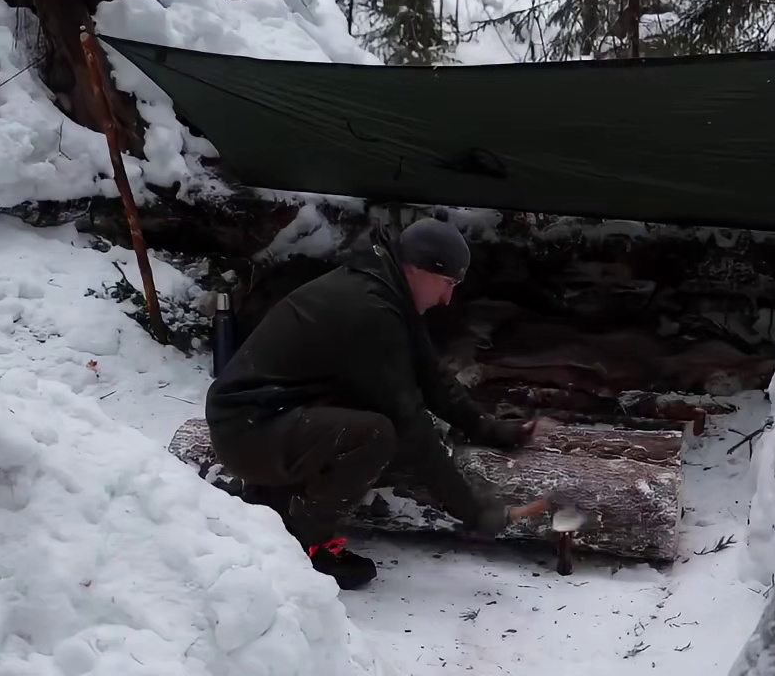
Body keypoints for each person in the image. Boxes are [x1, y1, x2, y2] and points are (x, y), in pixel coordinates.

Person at [204, 217, 542, 589]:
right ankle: (307, 543)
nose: (448, 299)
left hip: (269, 420)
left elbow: (431, 377)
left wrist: (485, 428)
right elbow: (412, 422)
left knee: (377, 422)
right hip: (246, 431)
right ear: (418, 268)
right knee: (376, 434)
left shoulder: (386, 288)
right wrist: (473, 511)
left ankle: (273, 498)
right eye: (448, 283)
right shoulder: (370, 309)